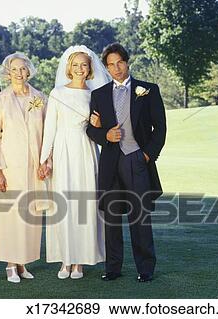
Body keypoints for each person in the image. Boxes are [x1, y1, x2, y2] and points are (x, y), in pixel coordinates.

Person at [86, 43, 167, 282]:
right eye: (111, 64)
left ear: (127, 62)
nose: (116, 68)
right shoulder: (98, 95)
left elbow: (160, 129)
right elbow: (91, 129)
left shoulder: (148, 90)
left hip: (136, 160)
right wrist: (105, 136)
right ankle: (113, 268)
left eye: (119, 62)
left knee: (139, 217)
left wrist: (146, 155)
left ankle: (145, 269)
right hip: (111, 162)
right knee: (111, 219)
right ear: (107, 67)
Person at [39, 45, 110, 279]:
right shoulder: (58, 93)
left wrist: (99, 125)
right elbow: (50, 127)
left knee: (85, 204)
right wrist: (44, 159)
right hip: (62, 149)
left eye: (84, 64)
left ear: (90, 68)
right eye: (76, 64)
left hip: (86, 149)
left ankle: (80, 261)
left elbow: (101, 128)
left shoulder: (96, 94)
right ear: (69, 67)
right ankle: (65, 260)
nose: (80, 68)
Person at [0, 52, 47, 283]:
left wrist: (46, 161)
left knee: (29, 216)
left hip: (33, 168)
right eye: (15, 69)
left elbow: (46, 135)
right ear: (8, 72)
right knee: (10, 217)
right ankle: (11, 264)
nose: (20, 73)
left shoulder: (40, 98)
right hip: (9, 168)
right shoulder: (0, 100)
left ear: (29, 70)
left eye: (23, 69)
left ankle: (23, 263)